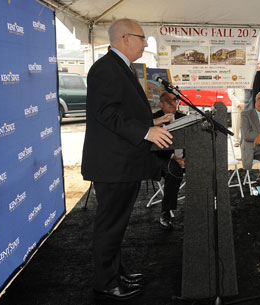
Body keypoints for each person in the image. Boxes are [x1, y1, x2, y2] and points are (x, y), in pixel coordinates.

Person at [81, 18, 173, 301]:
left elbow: (125, 112)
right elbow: (107, 113)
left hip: (124, 163)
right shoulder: (105, 69)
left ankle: (116, 272)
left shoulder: (121, 67)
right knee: (110, 226)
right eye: (142, 37)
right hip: (113, 164)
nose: (146, 43)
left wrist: (155, 120)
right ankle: (106, 282)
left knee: (117, 226)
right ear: (125, 39)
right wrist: (147, 131)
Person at [152, 92, 187, 230]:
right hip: (162, 160)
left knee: (203, 165)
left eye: (175, 100)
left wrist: (187, 158)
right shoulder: (153, 119)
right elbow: (153, 147)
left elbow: (195, 141)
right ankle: (165, 211)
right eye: (169, 101)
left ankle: (203, 204)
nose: (173, 103)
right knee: (174, 169)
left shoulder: (185, 118)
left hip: (184, 159)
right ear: (161, 104)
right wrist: (174, 159)